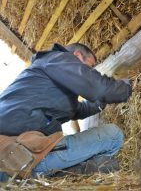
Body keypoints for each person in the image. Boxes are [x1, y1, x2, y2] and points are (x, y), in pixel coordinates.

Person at [0, 43, 132, 181]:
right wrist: (126, 88)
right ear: (77, 56)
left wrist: (101, 102)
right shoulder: (57, 58)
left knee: (107, 163)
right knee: (114, 136)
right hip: (13, 156)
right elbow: (96, 87)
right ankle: (74, 173)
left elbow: (77, 110)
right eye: (90, 66)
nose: (90, 71)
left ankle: (68, 173)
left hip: (22, 158)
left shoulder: (50, 84)